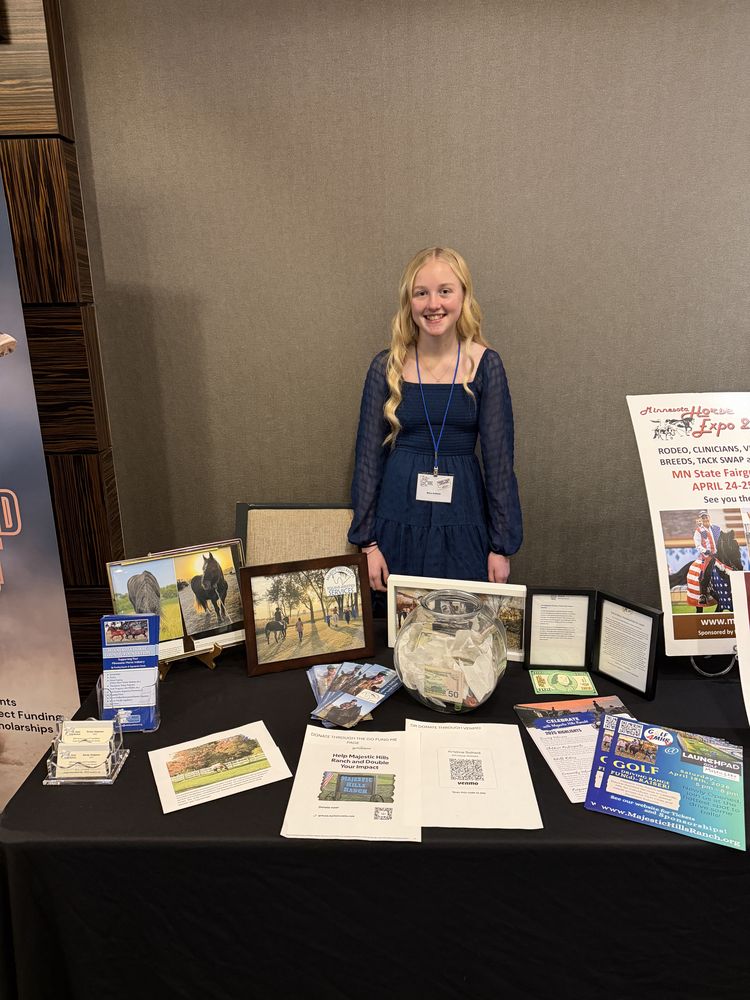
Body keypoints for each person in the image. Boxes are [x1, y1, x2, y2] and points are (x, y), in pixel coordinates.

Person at [348, 246, 522, 596]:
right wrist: (367, 546)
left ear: (463, 296)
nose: (433, 304)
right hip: (397, 517)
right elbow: (367, 459)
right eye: (421, 293)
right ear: (408, 301)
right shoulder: (385, 366)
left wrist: (501, 547)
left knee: (459, 623)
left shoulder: (486, 366)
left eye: (445, 291)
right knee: (400, 629)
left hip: (463, 517)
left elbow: (500, 464)